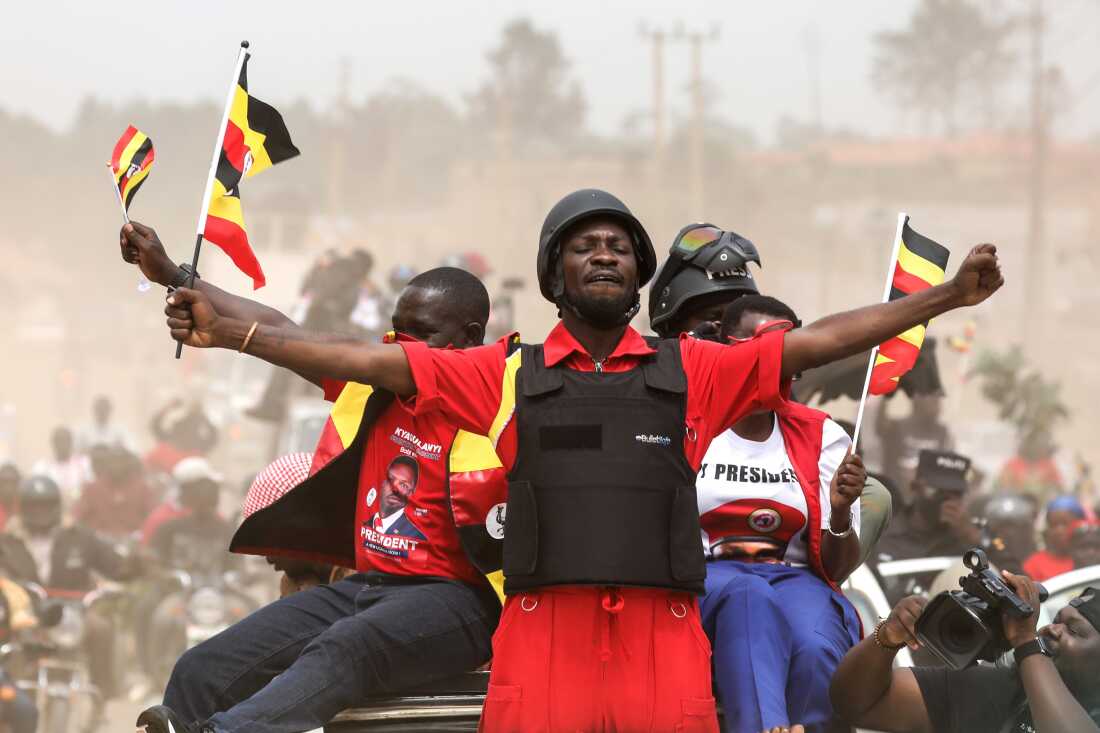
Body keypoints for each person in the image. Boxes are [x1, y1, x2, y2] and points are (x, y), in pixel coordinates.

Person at [157, 187, 1004, 732]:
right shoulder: (503, 374)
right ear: (554, 273)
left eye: (618, 244)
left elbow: (814, 340)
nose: (603, 251)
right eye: (582, 243)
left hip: (659, 648)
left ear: (638, 274)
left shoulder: (696, 372)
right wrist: (232, 332)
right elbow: (360, 359)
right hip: (541, 646)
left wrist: (944, 297)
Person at [119, 223, 502, 733]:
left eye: (421, 333)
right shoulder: (372, 378)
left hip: (457, 600)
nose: (400, 345)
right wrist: (171, 274)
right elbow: (280, 327)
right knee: (202, 670)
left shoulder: (501, 398)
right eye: (397, 329)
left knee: (344, 647)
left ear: (470, 339)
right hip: (369, 586)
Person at [697, 295, 866, 733]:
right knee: (748, 598)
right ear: (725, 349)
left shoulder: (823, 435)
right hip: (702, 580)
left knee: (814, 647)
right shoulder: (688, 420)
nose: (768, 363)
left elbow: (836, 569)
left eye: (782, 352)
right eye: (756, 351)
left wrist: (842, 513)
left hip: (793, 580)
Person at [829, 579, 1100, 733]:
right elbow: (860, 704)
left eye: (1074, 631)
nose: (1053, 629)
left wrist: (1026, 642)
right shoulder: (999, 690)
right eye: (1058, 620)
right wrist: (888, 638)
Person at [2, 475, 136, 699]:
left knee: (101, 627)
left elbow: (114, 565)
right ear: (23, 507)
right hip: (25, 612)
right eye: (34, 505)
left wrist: (133, 568)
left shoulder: (80, 536)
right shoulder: (7, 540)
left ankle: (103, 691)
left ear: (56, 505)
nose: (39, 511)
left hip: (73, 612)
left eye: (45, 505)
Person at [875, 449, 982, 601]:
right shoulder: (882, 531)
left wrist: (973, 539)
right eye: (938, 491)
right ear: (915, 486)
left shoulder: (970, 538)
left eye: (955, 493)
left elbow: (1010, 579)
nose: (947, 500)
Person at [647, 222, 761, 339]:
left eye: (738, 320)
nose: (730, 332)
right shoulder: (652, 355)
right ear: (672, 326)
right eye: (714, 317)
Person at [148, 458, 233, 575]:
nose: (211, 493)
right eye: (204, 488)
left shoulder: (225, 529)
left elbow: (233, 567)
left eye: (212, 488)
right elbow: (154, 563)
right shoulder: (164, 523)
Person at [876, 391, 953, 495]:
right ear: (917, 399)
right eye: (932, 397)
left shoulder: (942, 432)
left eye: (938, 399)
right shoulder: (896, 427)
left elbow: (945, 466)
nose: (937, 402)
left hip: (924, 501)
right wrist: (888, 389)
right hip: (895, 497)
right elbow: (880, 426)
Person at [74, 444, 156, 539]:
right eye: (114, 461)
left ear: (128, 463)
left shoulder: (142, 488)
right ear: (107, 464)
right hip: (100, 543)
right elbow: (78, 518)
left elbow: (152, 519)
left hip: (133, 541)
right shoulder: (92, 488)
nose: (117, 465)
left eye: (121, 461)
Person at [1025, 495, 1087, 581]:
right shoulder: (1034, 564)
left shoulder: (1089, 558)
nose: (1059, 531)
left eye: (1065, 524)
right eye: (1054, 524)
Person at [30, 426, 90, 508]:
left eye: (66, 440)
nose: (62, 444)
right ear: (53, 443)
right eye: (59, 441)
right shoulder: (41, 467)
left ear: (71, 442)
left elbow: (90, 488)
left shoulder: (84, 464)